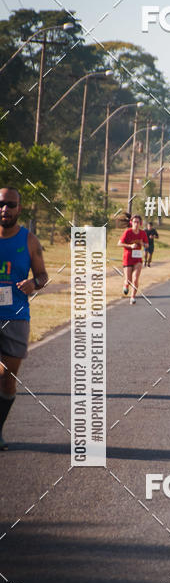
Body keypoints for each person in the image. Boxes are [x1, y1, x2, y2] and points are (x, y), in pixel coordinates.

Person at [0, 187, 48, 449]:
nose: (4, 209)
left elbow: (43, 275)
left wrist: (34, 283)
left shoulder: (29, 241)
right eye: (1, 204)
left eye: (10, 204)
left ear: (19, 208)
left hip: (16, 317)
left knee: (8, 377)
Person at [119, 214, 148, 305]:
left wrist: (142, 243)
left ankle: (132, 297)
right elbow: (119, 243)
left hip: (137, 258)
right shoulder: (128, 232)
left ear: (140, 223)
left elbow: (147, 245)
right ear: (131, 222)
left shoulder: (142, 233)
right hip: (128, 258)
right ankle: (126, 285)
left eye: (138, 222)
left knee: (135, 279)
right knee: (128, 280)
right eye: (134, 222)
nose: (136, 224)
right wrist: (130, 246)